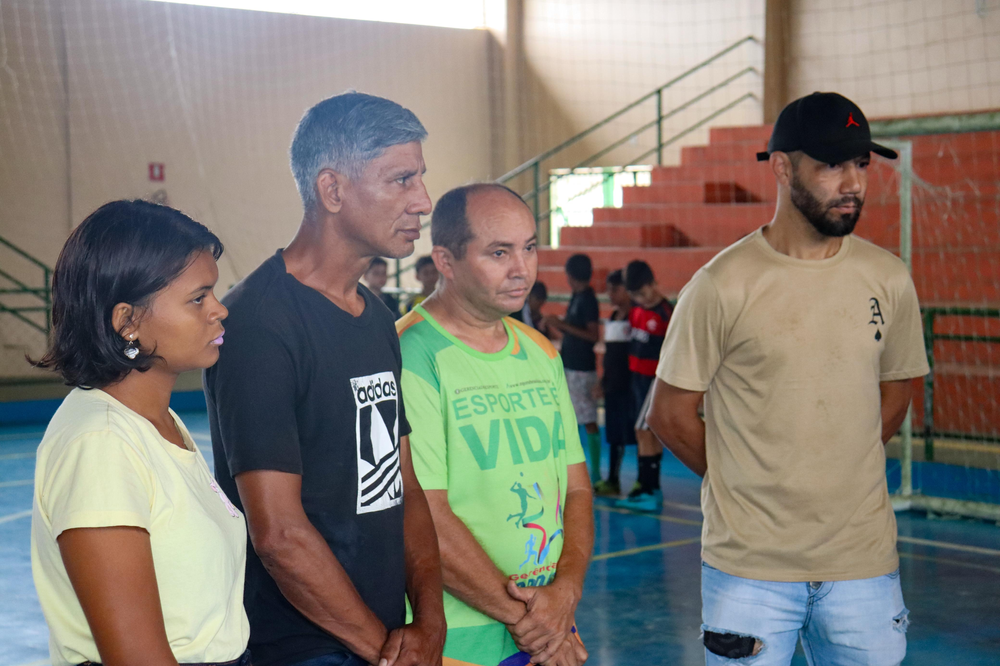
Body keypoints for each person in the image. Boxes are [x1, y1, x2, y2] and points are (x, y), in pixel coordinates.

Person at [647, 92, 928, 666]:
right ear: (781, 167)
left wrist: (838, 464)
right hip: (750, 568)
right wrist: (745, 478)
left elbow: (899, 385)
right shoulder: (721, 285)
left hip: (863, 564)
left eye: (861, 164)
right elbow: (669, 414)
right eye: (831, 164)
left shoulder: (888, 278)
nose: (852, 182)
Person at [204, 92, 445, 666]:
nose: (424, 202)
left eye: (421, 179)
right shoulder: (260, 324)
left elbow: (402, 486)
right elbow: (280, 536)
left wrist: (429, 623)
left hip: (383, 637)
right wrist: (383, 650)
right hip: (298, 648)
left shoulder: (377, 318)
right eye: (401, 180)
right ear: (332, 190)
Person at [30, 200, 250, 666]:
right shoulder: (101, 445)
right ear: (127, 321)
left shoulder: (156, 424)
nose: (220, 310)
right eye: (199, 297)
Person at [396, 183, 593, 666]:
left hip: (548, 620)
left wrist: (565, 593)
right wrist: (532, 623)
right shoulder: (409, 354)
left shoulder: (540, 350)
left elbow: (578, 491)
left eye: (529, 248)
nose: (521, 269)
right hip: (463, 635)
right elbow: (425, 513)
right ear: (445, 260)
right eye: (498, 252)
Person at [614, 260, 672, 512]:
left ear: (653, 283)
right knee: (643, 433)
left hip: (654, 381)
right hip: (637, 380)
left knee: (644, 432)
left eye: (643, 292)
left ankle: (649, 487)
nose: (640, 298)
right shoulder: (637, 311)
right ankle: (646, 486)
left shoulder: (665, 313)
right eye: (635, 295)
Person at [543, 254, 601, 484]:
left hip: (582, 369)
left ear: (569, 275)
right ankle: (574, 469)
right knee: (571, 419)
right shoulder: (578, 296)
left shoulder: (588, 299)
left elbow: (592, 335)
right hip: (571, 366)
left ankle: (594, 473)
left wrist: (562, 325)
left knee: (587, 420)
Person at [592, 269, 635, 497]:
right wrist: (602, 380)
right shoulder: (612, 317)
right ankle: (613, 479)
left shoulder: (636, 316)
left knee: (637, 433)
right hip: (613, 385)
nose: (609, 294)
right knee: (614, 433)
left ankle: (644, 482)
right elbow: (609, 354)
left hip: (632, 385)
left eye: (614, 289)